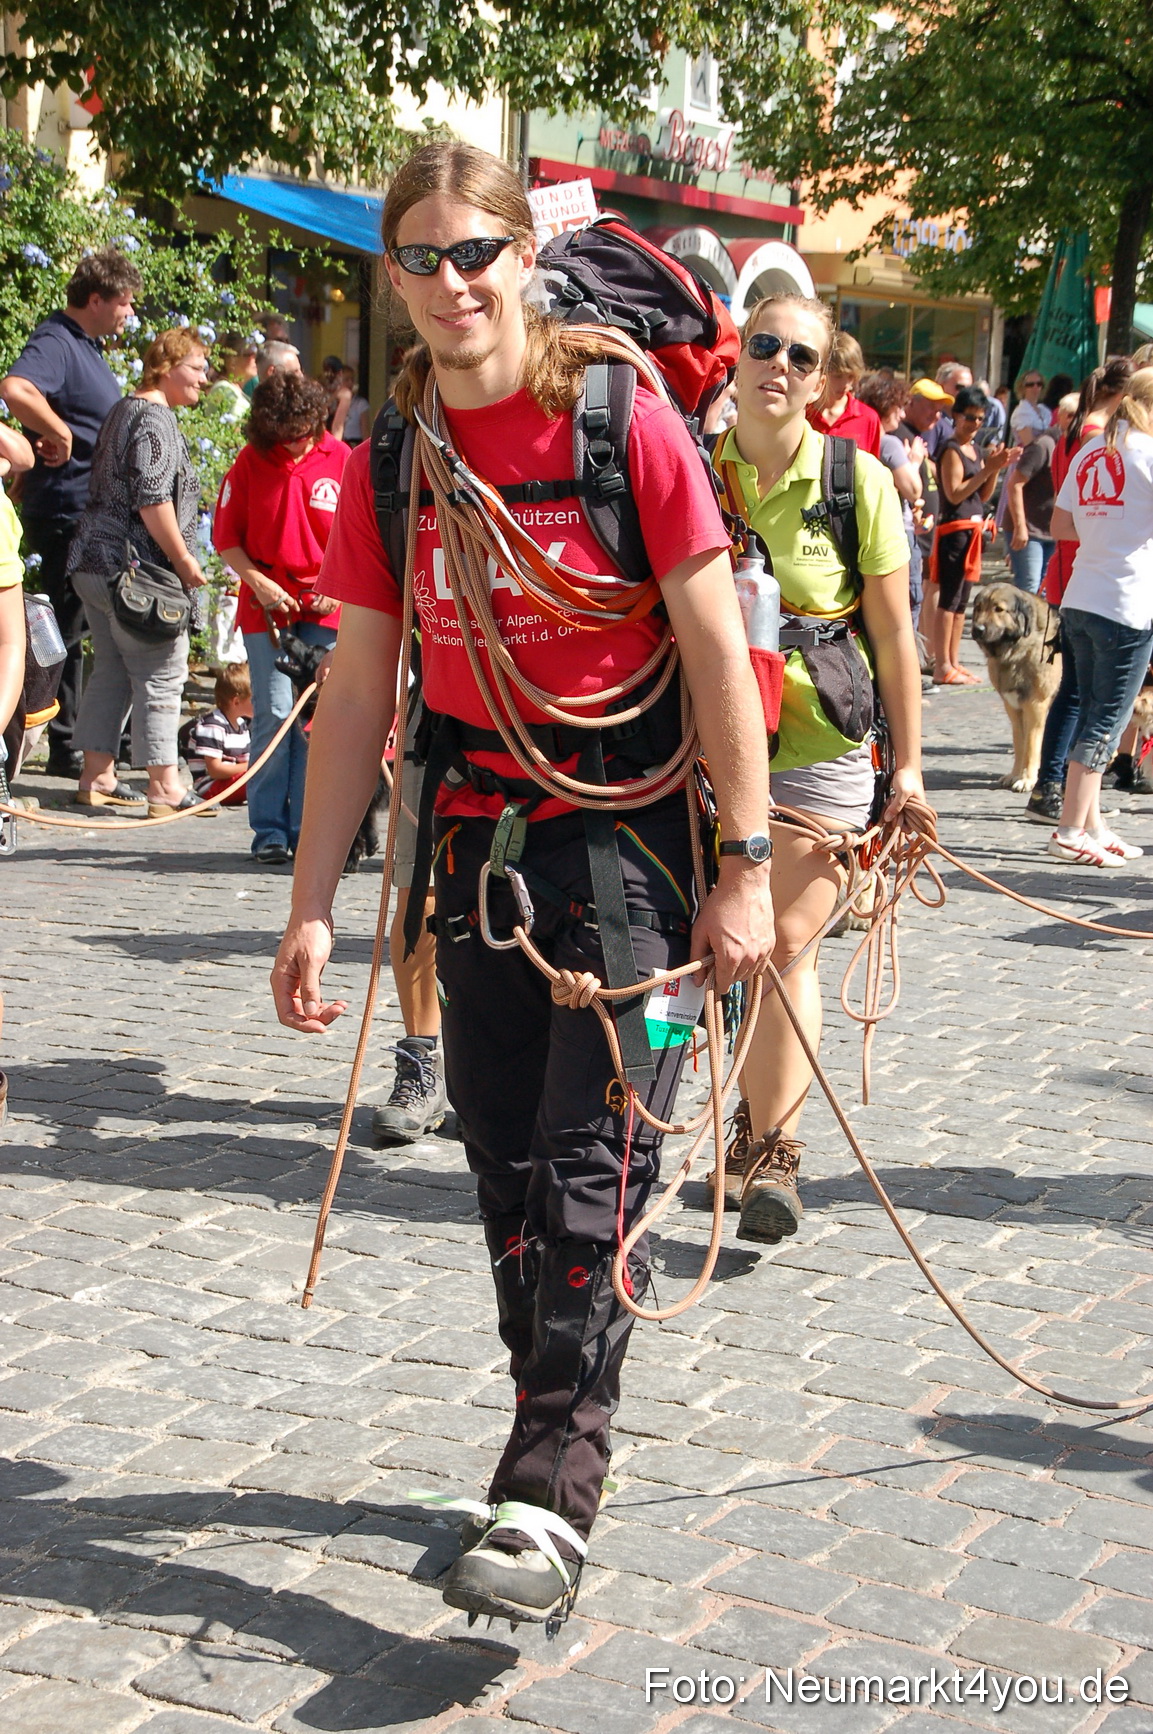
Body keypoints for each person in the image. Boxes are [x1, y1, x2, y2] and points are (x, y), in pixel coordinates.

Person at [271, 140, 773, 1626]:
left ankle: (552, 1490)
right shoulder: (391, 454)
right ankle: (538, 1417)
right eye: (416, 256)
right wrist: (311, 902)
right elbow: (360, 690)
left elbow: (712, 657)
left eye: (471, 252)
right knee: (498, 1155)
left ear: (519, 257)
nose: (447, 283)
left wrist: (743, 868)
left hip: (631, 844)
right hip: (476, 838)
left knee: (590, 1171)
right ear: (393, 271)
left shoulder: (621, 423)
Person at [708, 295, 922, 1244]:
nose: (779, 366)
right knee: (698, 958)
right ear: (736, 356)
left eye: (801, 355)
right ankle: (707, 1116)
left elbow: (893, 636)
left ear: (825, 381)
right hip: (699, 746)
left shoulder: (858, 481)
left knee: (785, 945)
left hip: (817, 749)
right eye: (764, 346)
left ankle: (773, 1152)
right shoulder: (684, 466)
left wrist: (908, 772)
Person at [0, 247, 142, 777]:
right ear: (96, 298)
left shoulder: (86, 345)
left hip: (86, 510)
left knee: (79, 627)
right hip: (65, 509)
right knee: (64, 629)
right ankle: (62, 742)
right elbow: (15, 387)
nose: (129, 314)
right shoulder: (57, 340)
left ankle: (72, 737)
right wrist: (56, 432)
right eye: (124, 303)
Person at [67, 328, 209, 820]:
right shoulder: (154, 420)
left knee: (111, 670)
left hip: (92, 561)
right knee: (162, 673)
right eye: (196, 367)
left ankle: (97, 776)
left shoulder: (123, 409)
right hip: (134, 572)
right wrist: (186, 561)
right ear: (167, 366)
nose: (204, 378)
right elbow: (153, 497)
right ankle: (165, 787)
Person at [213, 371, 348, 864]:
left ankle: (308, 828)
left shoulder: (341, 459)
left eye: (302, 436)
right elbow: (226, 538)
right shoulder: (250, 463)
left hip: (324, 607)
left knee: (318, 719)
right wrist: (260, 584)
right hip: (266, 606)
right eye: (284, 439)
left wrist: (340, 587)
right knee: (272, 715)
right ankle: (269, 829)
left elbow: (360, 538)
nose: (294, 447)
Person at [1046, 367, 1153, 867]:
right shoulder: (1147, 452)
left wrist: (1105, 533)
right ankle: (1069, 829)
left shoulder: (1095, 447)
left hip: (1082, 593)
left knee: (1089, 709)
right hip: (1126, 601)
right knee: (1105, 721)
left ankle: (1091, 822)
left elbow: (1061, 522)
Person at [1026, 360, 1134, 823]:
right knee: (1087, 702)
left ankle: (1068, 799)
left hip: (1078, 577)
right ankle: (1059, 796)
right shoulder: (1101, 439)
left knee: (1077, 693)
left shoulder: (1083, 432)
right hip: (1094, 579)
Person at [930, 385, 1016, 684]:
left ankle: (953, 661)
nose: (975, 424)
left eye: (980, 419)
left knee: (962, 603)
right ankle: (942, 664)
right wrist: (986, 469)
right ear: (956, 416)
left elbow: (983, 494)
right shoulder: (951, 449)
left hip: (973, 529)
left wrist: (994, 469)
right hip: (955, 530)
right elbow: (954, 495)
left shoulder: (975, 450)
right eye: (969, 417)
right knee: (949, 600)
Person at [858, 374, 927, 625]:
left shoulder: (862, 438)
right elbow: (913, 489)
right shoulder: (889, 443)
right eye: (899, 407)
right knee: (909, 602)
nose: (903, 415)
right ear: (886, 405)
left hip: (867, 530)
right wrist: (915, 461)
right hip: (897, 531)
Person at [805, 331, 882, 457]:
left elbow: (873, 471)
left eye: (851, 376)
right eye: (838, 376)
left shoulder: (868, 418)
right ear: (822, 372)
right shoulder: (802, 412)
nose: (846, 384)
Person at [1005, 415, 1058, 594]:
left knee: (1045, 590)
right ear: (1063, 417)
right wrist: (1020, 527)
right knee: (1029, 589)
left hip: (1051, 531)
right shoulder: (1042, 446)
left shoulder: (1071, 448)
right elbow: (1014, 484)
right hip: (1029, 530)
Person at [186, 662, 253, 802]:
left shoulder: (241, 725)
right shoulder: (213, 726)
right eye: (254, 699)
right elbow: (215, 770)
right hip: (211, 786)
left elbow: (244, 761)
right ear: (236, 702)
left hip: (232, 780)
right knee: (259, 780)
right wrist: (252, 767)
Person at [207, 333, 258, 415]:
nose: (256, 359)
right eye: (250, 354)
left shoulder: (233, 389)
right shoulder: (223, 389)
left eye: (257, 354)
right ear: (232, 360)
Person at [1010, 369, 1050, 446]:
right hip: (1028, 455)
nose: (1035, 387)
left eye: (1039, 384)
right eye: (1030, 385)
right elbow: (1029, 443)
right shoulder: (1021, 412)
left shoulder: (1044, 410)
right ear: (1022, 388)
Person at [338, 367, 371, 447]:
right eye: (346, 380)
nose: (350, 383)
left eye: (352, 380)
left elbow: (365, 430)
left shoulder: (360, 403)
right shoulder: (333, 403)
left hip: (354, 444)